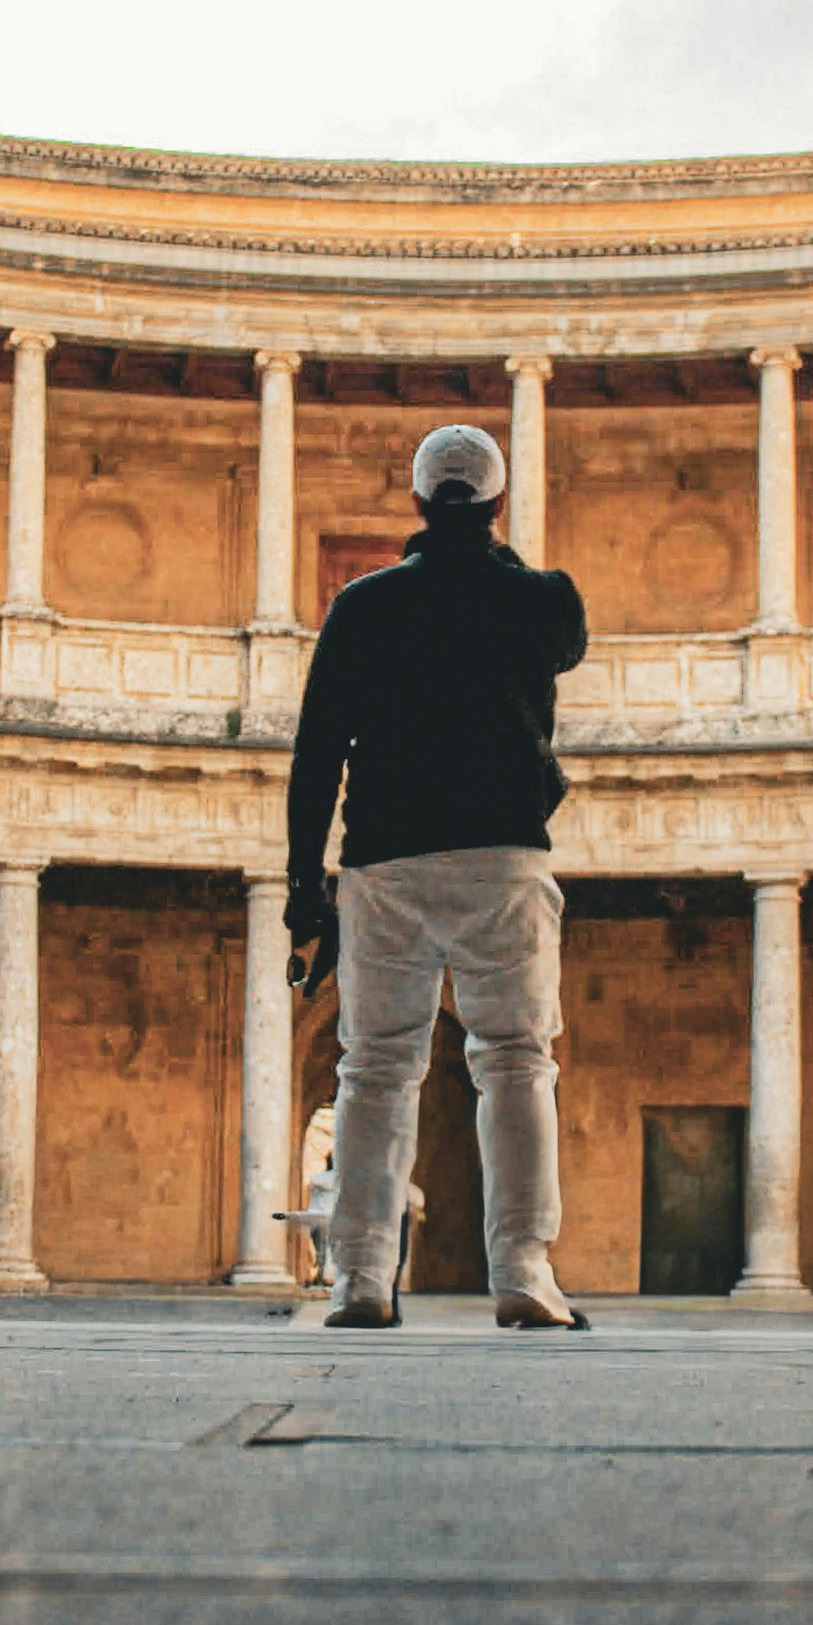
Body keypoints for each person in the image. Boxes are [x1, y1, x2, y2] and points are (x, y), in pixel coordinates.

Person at [285, 422, 590, 1331]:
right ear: (496, 505)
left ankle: (361, 1278)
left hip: (385, 856)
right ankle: (525, 1270)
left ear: (416, 502)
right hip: (503, 853)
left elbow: (315, 753)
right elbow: (561, 641)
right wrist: (489, 551)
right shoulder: (542, 599)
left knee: (373, 1068)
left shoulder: (363, 605)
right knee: (517, 1062)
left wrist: (309, 882)